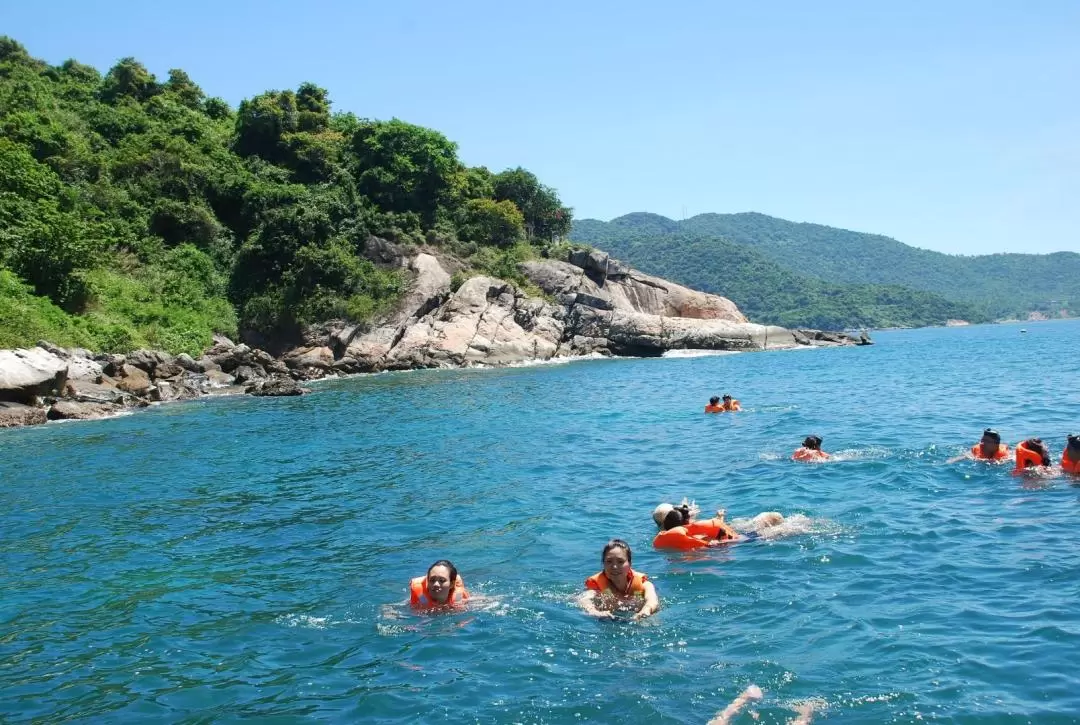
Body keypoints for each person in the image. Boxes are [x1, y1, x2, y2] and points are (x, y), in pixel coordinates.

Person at [579, 539, 659, 620]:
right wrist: (595, 612)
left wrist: (646, 610)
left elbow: (652, 600)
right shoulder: (597, 585)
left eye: (620, 562)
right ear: (603, 563)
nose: (614, 567)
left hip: (636, 620)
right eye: (609, 561)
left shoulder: (643, 584)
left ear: (630, 564)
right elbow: (584, 600)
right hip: (607, 620)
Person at [651, 501, 786, 550]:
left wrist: (719, 517)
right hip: (746, 540)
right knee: (774, 517)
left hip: (738, 539)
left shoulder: (667, 536)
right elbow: (715, 533)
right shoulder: (692, 531)